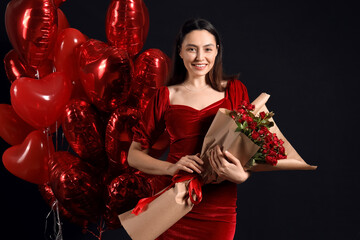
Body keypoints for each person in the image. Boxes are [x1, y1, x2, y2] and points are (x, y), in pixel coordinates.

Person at [127, 18, 251, 240]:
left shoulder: (235, 91)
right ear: (181, 52)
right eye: (192, 49)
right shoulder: (165, 96)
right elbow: (133, 155)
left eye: (207, 49)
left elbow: (249, 151)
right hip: (175, 205)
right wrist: (171, 168)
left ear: (217, 52)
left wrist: (242, 175)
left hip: (219, 211)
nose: (200, 57)